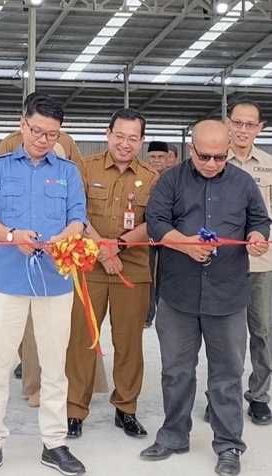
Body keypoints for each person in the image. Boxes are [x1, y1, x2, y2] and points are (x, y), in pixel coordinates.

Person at [141, 119, 270, 476]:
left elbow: (260, 220)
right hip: (178, 294)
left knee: (227, 374)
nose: (212, 163)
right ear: (190, 148)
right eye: (204, 156)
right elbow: (155, 222)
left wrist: (258, 234)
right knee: (176, 372)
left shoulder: (244, 183)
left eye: (219, 156)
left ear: (228, 150)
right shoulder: (170, 180)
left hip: (227, 296)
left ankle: (228, 445)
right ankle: (173, 436)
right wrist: (183, 243)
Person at [0, 94, 88, 476]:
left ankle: (54, 443)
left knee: (55, 365)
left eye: (52, 134)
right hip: (7, 279)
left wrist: (64, 238)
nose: (43, 139)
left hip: (56, 282)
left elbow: (79, 220)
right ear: (22, 124)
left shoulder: (69, 171)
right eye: (37, 131)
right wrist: (11, 234)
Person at [65, 109, 158, 439]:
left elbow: (155, 222)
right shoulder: (85, 168)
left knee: (129, 342)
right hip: (88, 268)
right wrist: (102, 252)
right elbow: (75, 211)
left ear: (141, 141)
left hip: (130, 271)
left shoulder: (151, 177)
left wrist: (117, 247)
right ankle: (75, 409)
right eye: (120, 135)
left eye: (133, 138)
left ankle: (126, 409)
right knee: (81, 341)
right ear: (108, 133)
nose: (125, 143)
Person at [224, 100, 272, 426]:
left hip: (261, 264)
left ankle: (259, 396)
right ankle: (223, 397)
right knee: (225, 335)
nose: (242, 130)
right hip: (222, 264)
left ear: (260, 128)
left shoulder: (269, 165)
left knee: (263, 332)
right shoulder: (213, 160)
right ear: (227, 123)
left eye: (249, 124)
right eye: (237, 123)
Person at [145, 141, 170, 328]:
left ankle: (165, 311)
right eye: (152, 157)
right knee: (148, 273)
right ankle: (147, 315)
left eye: (160, 157)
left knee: (166, 274)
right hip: (147, 235)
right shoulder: (143, 177)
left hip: (171, 235)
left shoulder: (174, 178)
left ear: (168, 159)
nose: (156, 161)